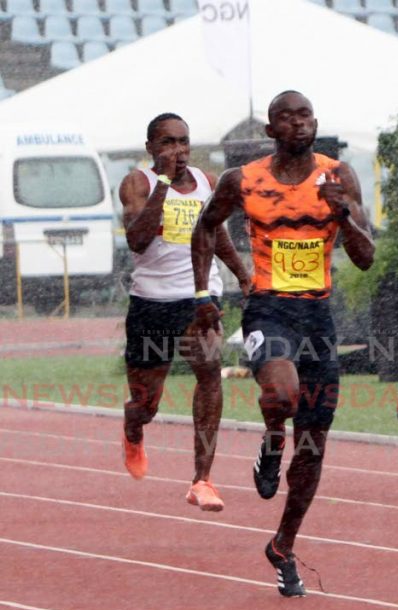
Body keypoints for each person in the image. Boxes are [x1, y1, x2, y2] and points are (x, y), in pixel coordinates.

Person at [191, 91, 375, 597]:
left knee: (313, 450)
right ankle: (272, 440)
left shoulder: (338, 176)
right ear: (272, 130)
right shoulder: (243, 180)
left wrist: (344, 216)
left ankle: (282, 546)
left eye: (305, 115)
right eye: (286, 117)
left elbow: (365, 257)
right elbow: (205, 228)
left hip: (317, 316)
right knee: (282, 396)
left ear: (315, 123)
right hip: (269, 307)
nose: (298, 123)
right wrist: (204, 293)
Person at [119, 113, 249, 512]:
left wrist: (243, 276)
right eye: (167, 143)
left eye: (183, 142)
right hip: (152, 304)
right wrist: (162, 182)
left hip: (198, 298)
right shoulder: (137, 183)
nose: (177, 151)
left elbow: (216, 233)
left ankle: (202, 479)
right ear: (151, 149)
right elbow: (138, 240)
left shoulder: (207, 182)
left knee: (210, 374)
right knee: (147, 404)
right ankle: (133, 425)